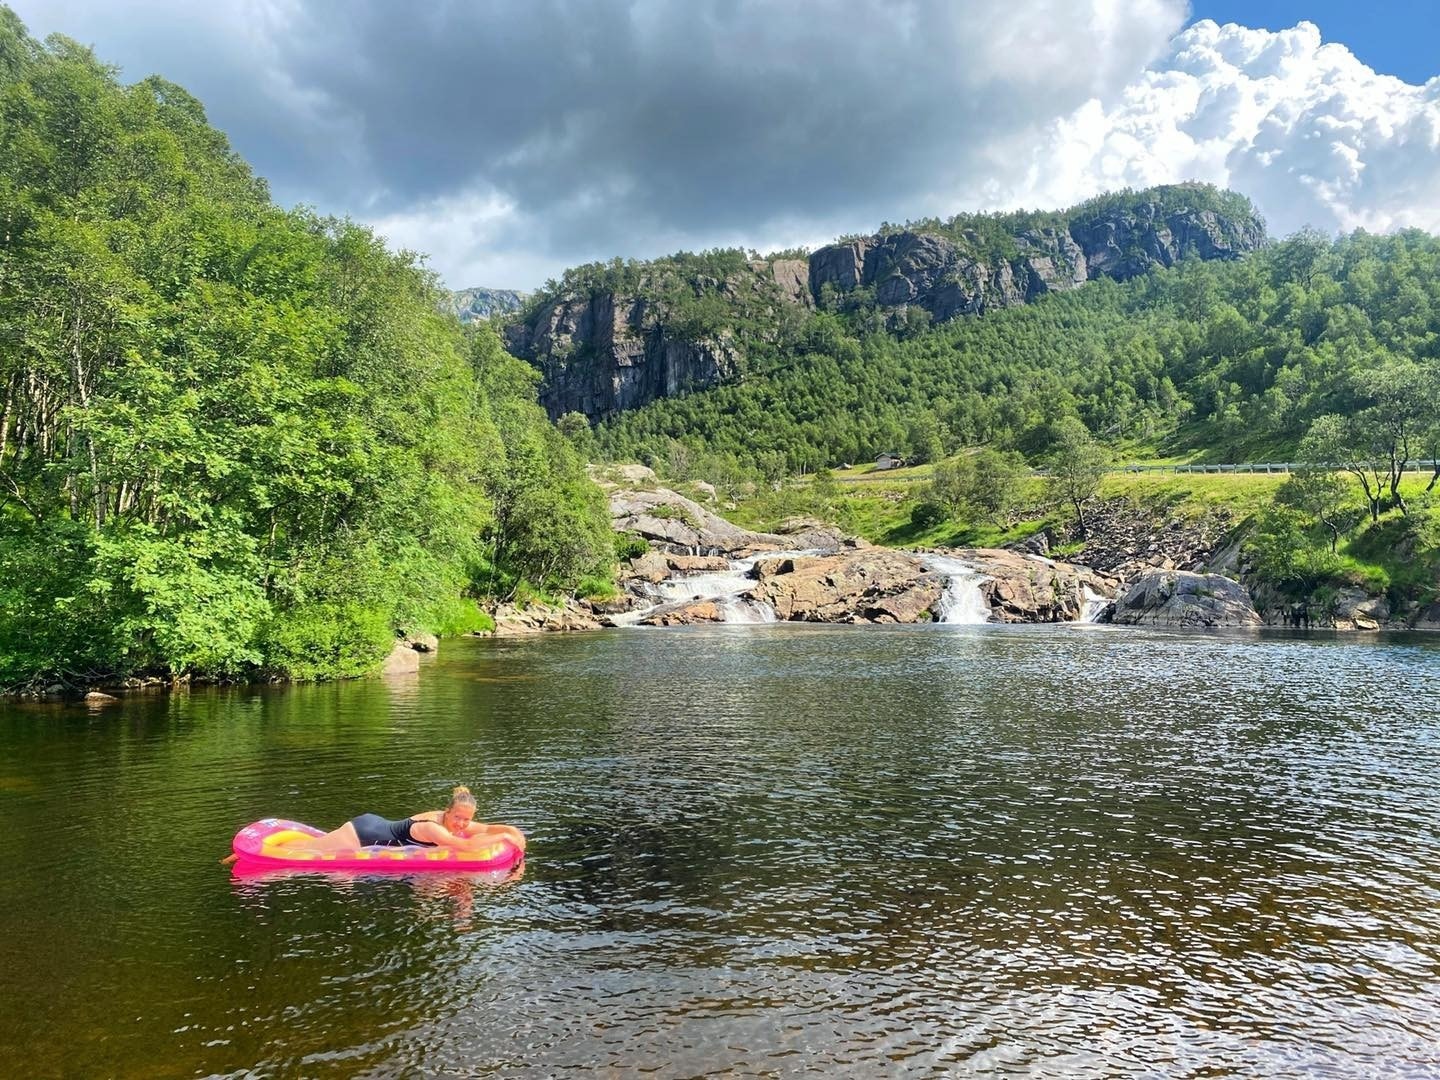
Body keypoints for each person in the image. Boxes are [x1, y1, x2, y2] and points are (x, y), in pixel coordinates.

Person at [290, 786, 526, 854]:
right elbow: (464, 846)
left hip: (376, 823)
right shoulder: (434, 827)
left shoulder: (454, 820)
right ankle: (261, 851)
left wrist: (513, 830)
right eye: (458, 818)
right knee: (304, 851)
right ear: (447, 811)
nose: (462, 824)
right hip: (362, 833)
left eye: (466, 820)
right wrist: (505, 837)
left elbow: (486, 827)